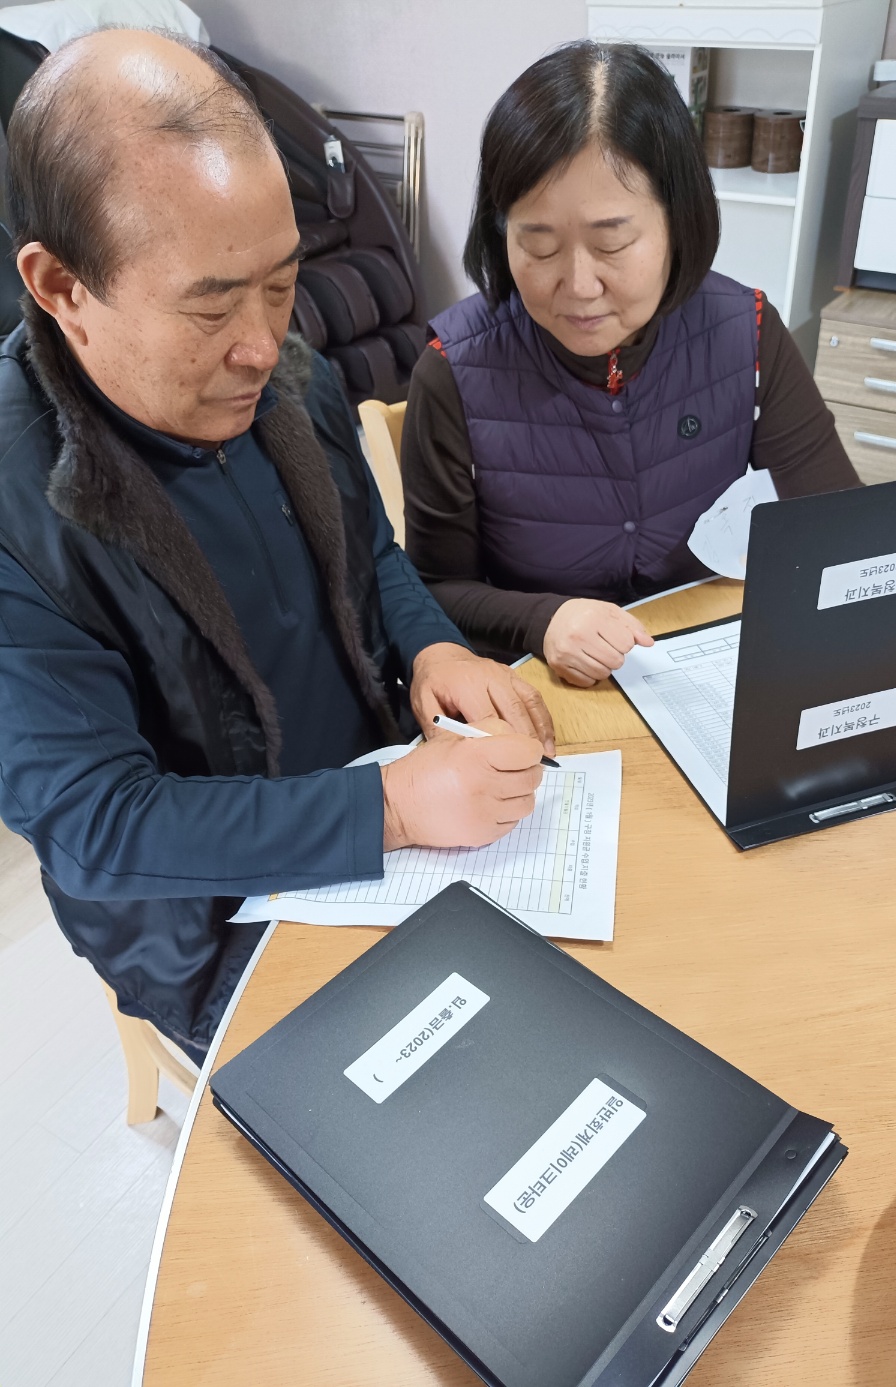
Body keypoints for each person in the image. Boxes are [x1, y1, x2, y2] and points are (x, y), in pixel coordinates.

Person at [0, 30, 556, 1062]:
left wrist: (434, 647)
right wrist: (384, 806)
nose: (263, 343)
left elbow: (373, 555)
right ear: (60, 286)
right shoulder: (16, 505)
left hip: (386, 821)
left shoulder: (282, 372)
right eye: (210, 304)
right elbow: (103, 825)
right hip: (211, 923)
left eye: (280, 281)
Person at [402, 40, 896, 787]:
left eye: (613, 239)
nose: (577, 284)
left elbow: (845, 536)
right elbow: (429, 589)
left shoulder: (743, 333)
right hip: (549, 718)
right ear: (500, 233)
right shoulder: (454, 372)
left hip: (712, 695)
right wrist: (542, 618)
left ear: (677, 220)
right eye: (538, 243)